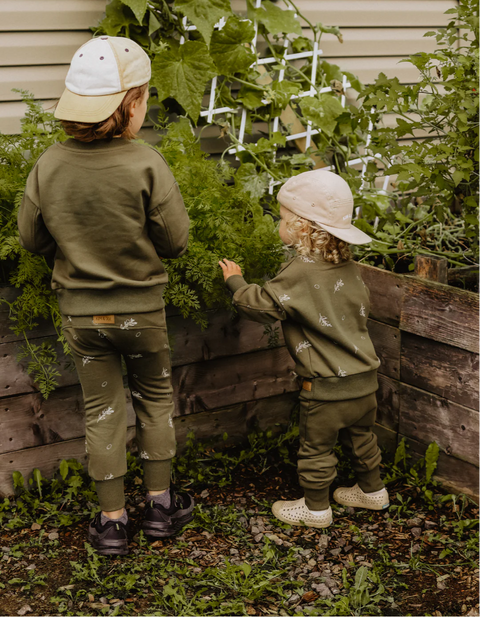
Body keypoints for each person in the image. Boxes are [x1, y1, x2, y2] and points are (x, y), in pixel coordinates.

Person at [17, 36, 194, 555]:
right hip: (143, 316)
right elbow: (176, 242)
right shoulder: (147, 164)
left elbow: (31, 239)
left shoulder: (48, 165)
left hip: (83, 318)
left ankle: (112, 521)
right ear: (132, 104)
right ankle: (161, 508)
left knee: (102, 411)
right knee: (156, 402)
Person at [219, 169, 389, 528]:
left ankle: (315, 509)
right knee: (362, 438)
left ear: (302, 227)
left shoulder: (300, 270)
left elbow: (261, 305)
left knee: (316, 448)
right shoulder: (349, 267)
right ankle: (372, 491)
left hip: (325, 388)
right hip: (365, 381)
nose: (278, 225)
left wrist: (235, 279)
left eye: (282, 219)